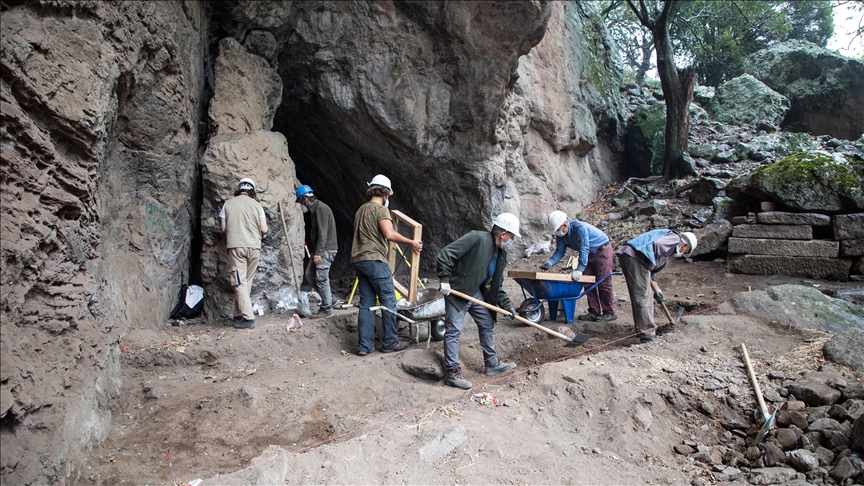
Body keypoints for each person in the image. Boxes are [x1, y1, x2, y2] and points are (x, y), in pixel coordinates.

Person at [436, 213, 521, 389]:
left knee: (487, 321)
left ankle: (492, 364)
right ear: (503, 234)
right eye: (511, 237)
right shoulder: (476, 238)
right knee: (453, 331)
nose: (511, 241)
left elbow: (496, 284)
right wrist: (444, 279)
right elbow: (446, 254)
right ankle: (453, 372)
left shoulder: (501, 254)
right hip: (458, 291)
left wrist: (507, 305)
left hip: (475, 292)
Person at [350, 174, 422, 356]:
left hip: (359, 261)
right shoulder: (381, 210)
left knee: (366, 304)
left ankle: (364, 346)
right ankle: (390, 341)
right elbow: (389, 234)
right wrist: (411, 242)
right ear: (386, 193)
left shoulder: (360, 210)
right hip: (375, 260)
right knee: (389, 299)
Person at [615, 230, 697, 343]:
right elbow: (657, 246)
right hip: (636, 258)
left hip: (631, 255)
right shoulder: (675, 238)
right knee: (643, 296)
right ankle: (648, 334)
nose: (682, 254)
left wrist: (657, 290)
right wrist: (650, 262)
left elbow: (651, 272)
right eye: (685, 252)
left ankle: (642, 329)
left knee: (640, 295)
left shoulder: (667, 252)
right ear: (684, 245)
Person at [540, 211, 617, 322]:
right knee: (587, 282)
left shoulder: (579, 228)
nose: (557, 233)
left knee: (603, 282)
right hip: (589, 254)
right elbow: (560, 252)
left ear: (565, 225)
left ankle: (609, 313)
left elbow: (584, 247)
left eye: (557, 229)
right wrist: (550, 262)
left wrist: (580, 268)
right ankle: (594, 311)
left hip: (601, 251)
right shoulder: (562, 235)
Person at [220, 177, 269, 329]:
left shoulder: (227, 204)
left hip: (236, 247)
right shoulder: (257, 206)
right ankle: (238, 315)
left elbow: (223, 228)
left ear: (239, 189)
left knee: (239, 282)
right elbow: (264, 229)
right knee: (245, 283)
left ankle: (248, 318)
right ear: (252, 191)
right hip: (254, 247)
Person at [296, 185, 338, 317]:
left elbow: (322, 233)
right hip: (320, 249)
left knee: (321, 279)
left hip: (325, 250)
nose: (300, 205)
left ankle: (326, 309)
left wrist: (318, 253)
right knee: (309, 275)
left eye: (300, 201)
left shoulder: (320, 209)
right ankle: (330, 298)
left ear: (305, 199)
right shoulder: (315, 210)